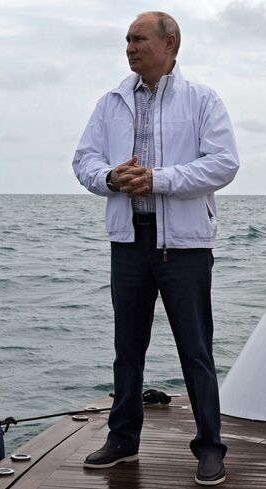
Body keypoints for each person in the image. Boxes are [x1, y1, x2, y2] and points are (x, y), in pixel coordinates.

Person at [71, 11, 239, 487]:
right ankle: (123, 441)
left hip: (184, 246)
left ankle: (210, 447)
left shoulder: (202, 99)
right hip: (129, 241)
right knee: (127, 350)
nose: (130, 48)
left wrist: (158, 180)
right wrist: (110, 177)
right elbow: (83, 160)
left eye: (139, 39)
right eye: (127, 40)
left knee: (195, 350)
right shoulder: (111, 102)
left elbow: (224, 164)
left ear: (170, 43)